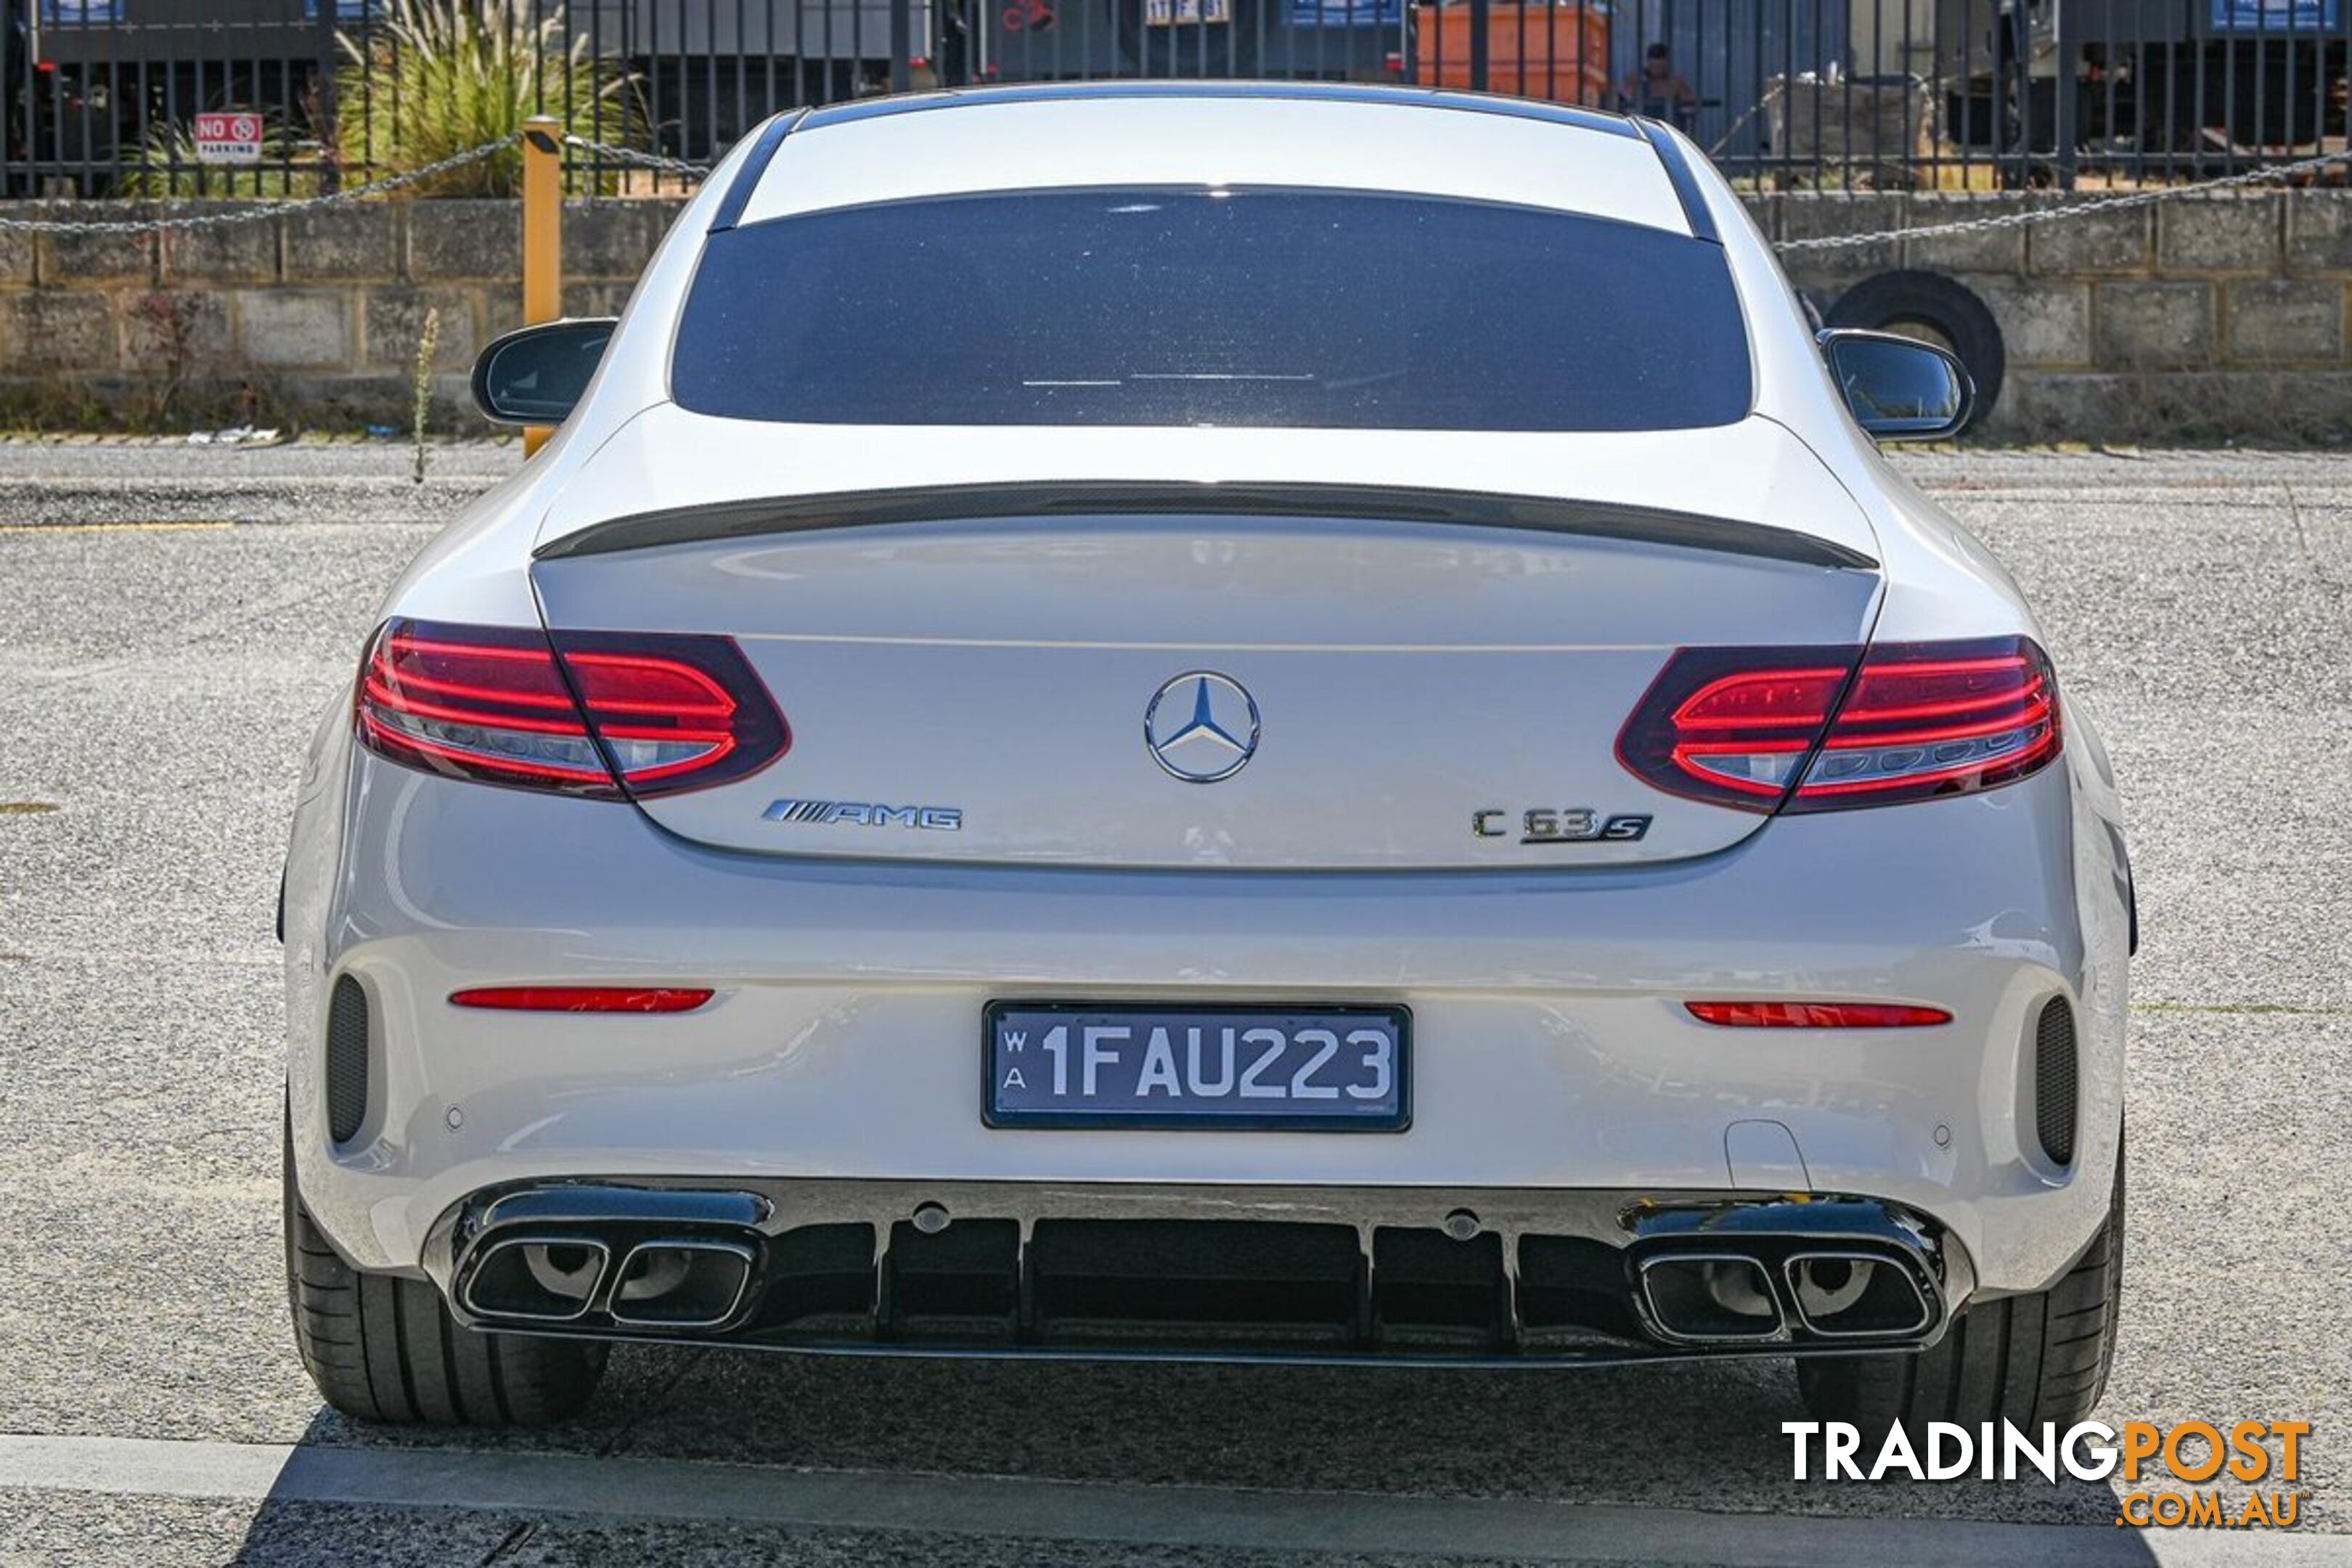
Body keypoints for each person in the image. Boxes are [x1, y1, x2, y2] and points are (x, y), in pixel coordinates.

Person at [1618, 43, 1696, 128]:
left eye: (1660, 67)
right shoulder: (1636, 81)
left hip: (1668, 127)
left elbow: (1689, 108)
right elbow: (1623, 102)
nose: (1657, 70)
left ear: (1667, 64)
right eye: (1653, 66)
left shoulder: (1676, 83)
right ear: (1648, 63)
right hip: (1642, 127)